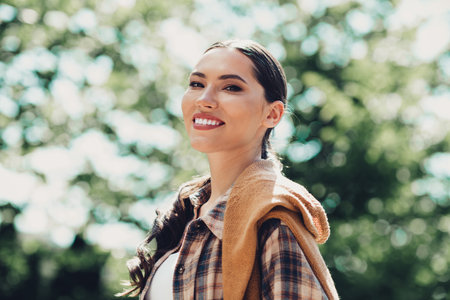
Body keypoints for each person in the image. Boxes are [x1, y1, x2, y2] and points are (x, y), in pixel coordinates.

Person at [118, 39, 339, 299]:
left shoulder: (272, 220)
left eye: (231, 87)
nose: (204, 99)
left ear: (272, 114)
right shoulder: (186, 216)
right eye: (196, 84)